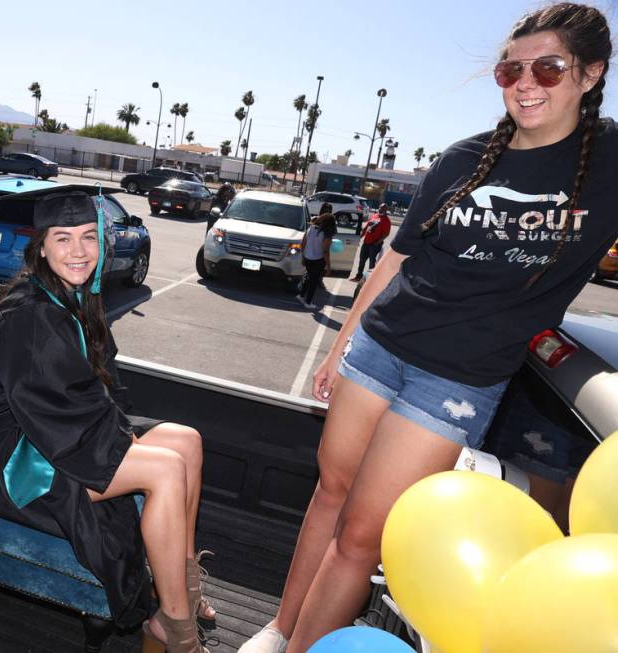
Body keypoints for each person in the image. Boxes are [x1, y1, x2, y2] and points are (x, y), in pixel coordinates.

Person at [239, 4, 617, 652]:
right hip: (380, 347)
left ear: (590, 74)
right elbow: (396, 259)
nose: (525, 83)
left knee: (362, 533)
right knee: (330, 490)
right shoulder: (463, 159)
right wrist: (339, 345)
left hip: (459, 377)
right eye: (511, 69)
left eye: (548, 69)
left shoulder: (608, 162)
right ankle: (278, 628)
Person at [0, 185, 212, 653]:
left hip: (60, 432)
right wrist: (126, 445)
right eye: (62, 238)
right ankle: (173, 628)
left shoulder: (70, 295)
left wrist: (123, 437)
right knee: (166, 468)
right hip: (13, 460)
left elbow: (86, 395)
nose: (78, 251)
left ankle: (183, 587)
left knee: (187, 441)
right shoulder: (28, 316)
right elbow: (51, 414)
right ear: (40, 246)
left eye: (88, 237)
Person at [296, 203, 337, 310]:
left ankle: (301, 296)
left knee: (308, 277)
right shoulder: (327, 234)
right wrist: (328, 266)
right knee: (313, 282)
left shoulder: (311, 228)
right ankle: (308, 302)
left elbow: (303, 244)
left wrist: (303, 257)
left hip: (308, 257)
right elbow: (325, 251)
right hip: (318, 260)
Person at [349, 203, 391, 281]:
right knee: (362, 260)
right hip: (366, 242)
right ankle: (358, 276)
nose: (381, 209)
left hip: (374, 244)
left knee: (372, 262)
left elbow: (386, 234)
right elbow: (366, 228)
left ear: (386, 210)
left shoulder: (386, 220)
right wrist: (360, 237)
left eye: (383, 208)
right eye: (380, 207)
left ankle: (369, 279)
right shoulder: (374, 215)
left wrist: (378, 242)